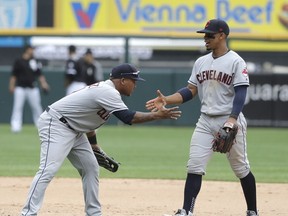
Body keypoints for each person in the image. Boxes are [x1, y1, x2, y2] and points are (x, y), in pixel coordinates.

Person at [20, 63, 181, 216]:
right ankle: (28, 213)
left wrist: (94, 145)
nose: (135, 85)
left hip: (74, 129)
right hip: (55, 124)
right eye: (133, 81)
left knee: (91, 168)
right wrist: (157, 115)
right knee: (48, 169)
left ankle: (94, 213)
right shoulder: (107, 92)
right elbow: (127, 118)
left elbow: (87, 119)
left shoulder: (108, 92)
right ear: (123, 80)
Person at [146, 19, 258, 216]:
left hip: (229, 119)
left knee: (241, 168)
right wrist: (167, 100)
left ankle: (252, 211)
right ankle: (187, 211)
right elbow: (190, 90)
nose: (205, 38)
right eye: (205, 35)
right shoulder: (201, 62)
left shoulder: (236, 61)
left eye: (210, 35)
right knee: (194, 165)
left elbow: (241, 93)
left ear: (222, 36)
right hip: (205, 120)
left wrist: (232, 119)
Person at [9, 45, 50, 133]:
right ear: (27, 50)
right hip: (20, 87)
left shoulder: (34, 61)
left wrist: (44, 84)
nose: (33, 51)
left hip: (32, 87)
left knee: (37, 107)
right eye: (32, 49)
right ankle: (16, 126)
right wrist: (11, 86)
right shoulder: (19, 61)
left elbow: (39, 74)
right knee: (17, 107)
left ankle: (40, 126)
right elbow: (14, 75)